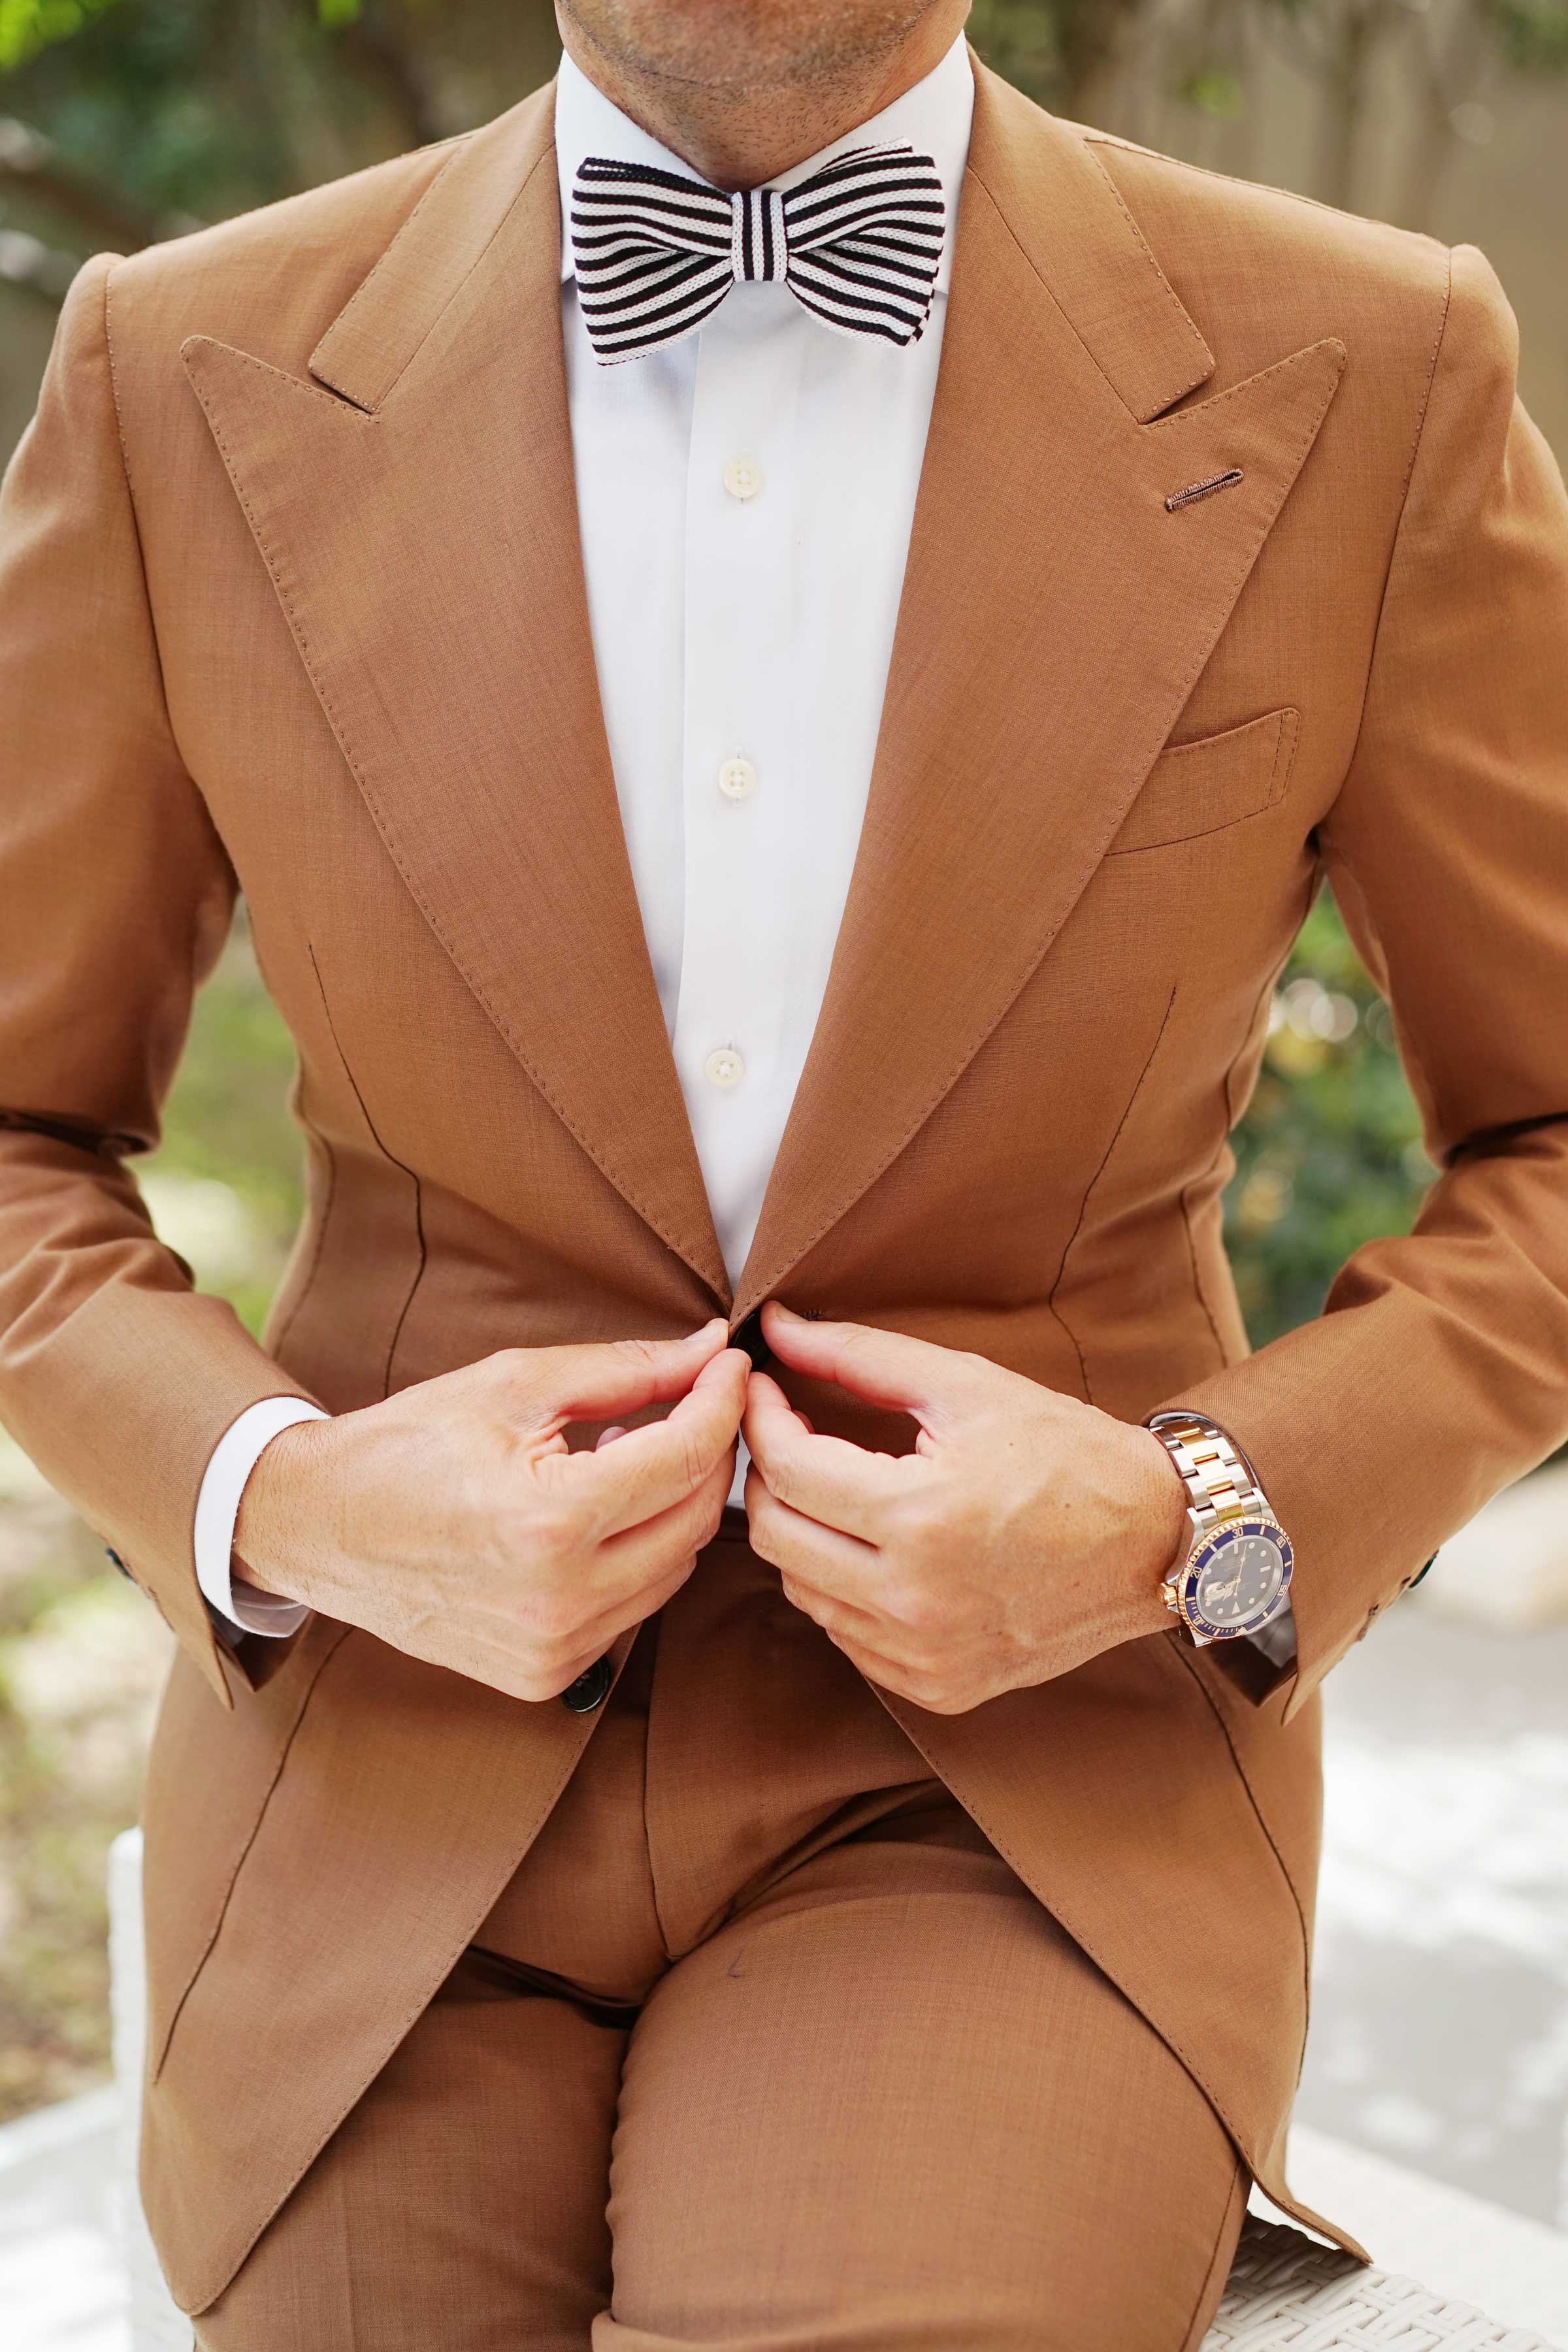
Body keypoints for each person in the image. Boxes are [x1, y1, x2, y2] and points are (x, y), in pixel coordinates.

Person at [2, 0, 1565, 2342]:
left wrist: (1194, 1514)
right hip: (391, 1760)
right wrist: (289, 1496)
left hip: (1023, 1778)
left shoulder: (1371, 357)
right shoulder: (178, 362)